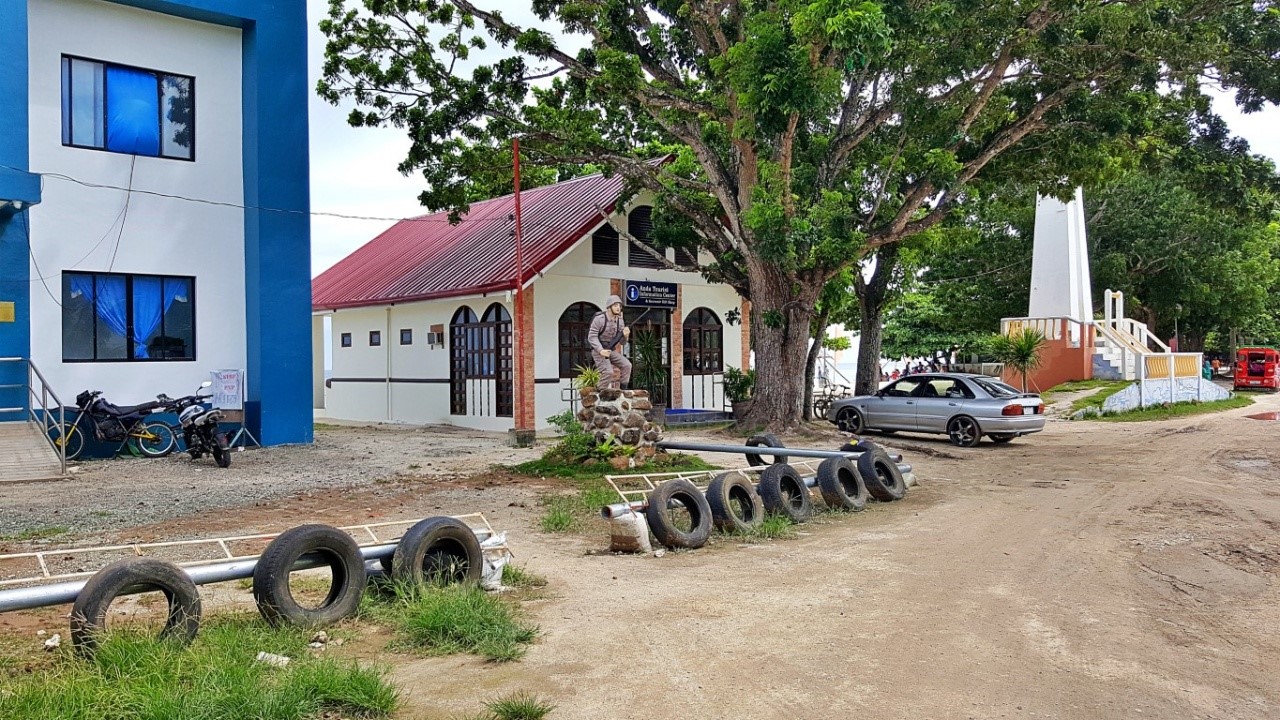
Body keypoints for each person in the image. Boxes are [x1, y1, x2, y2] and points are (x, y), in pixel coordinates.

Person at [588, 294, 632, 390]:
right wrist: (600, 350)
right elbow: (592, 337)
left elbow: (622, 343)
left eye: (619, 306)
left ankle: (623, 391)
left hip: (610, 350)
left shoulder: (620, 321)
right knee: (608, 372)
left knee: (627, 365)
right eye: (615, 305)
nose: (618, 308)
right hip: (598, 350)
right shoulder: (599, 319)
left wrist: (626, 336)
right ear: (609, 307)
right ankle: (598, 392)